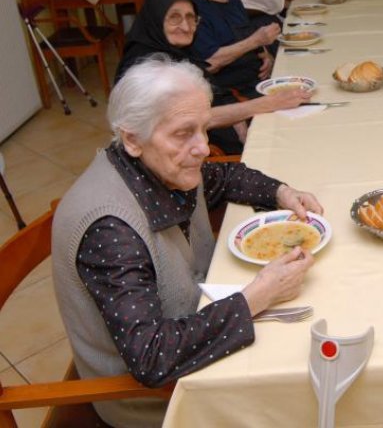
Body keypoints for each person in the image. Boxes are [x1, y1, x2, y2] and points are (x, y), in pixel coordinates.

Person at [52, 58, 320, 427]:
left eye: (204, 129)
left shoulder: (160, 165)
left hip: (197, 332)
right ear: (131, 138)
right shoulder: (110, 229)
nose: (204, 148)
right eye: (183, 133)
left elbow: (224, 177)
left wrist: (281, 192)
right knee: (310, 390)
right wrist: (260, 295)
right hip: (152, 401)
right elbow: (152, 358)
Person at [115, 0, 311, 154]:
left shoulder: (173, 49)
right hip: (182, 151)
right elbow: (189, 121)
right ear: (156, 20)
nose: (185, 26)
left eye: (191, 18)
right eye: (174, 18)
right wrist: (265, 104)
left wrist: (242, 117)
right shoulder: (146, 67)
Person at [186, 0, 280, 97]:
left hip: (257, 79)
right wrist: (256, 41)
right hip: (229, 91)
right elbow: (210, 62)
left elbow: (244, 32)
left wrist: (266, 54)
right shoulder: (192, 8)